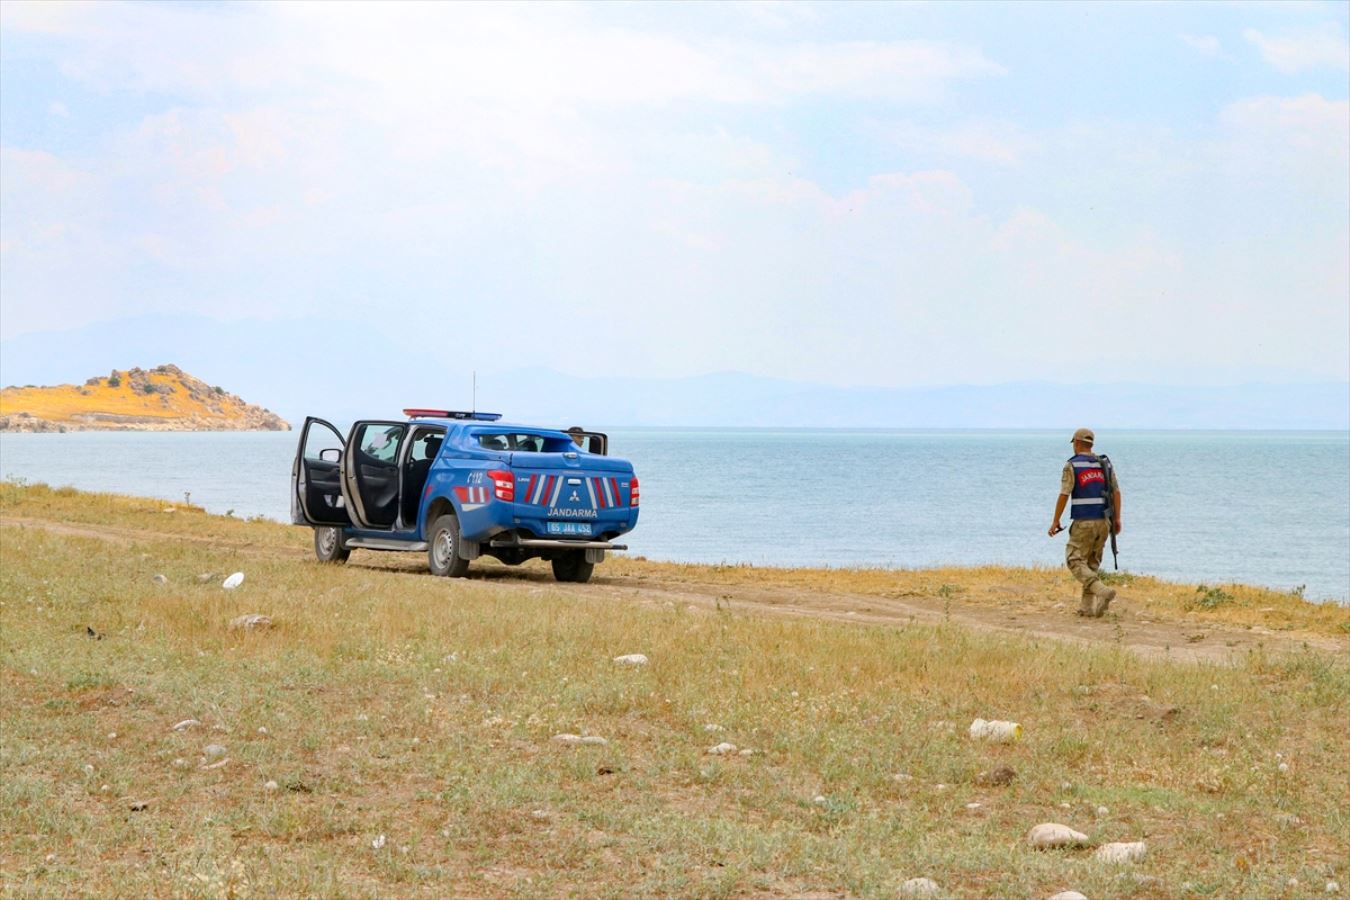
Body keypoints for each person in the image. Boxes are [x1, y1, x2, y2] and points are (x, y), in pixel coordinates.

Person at [1048, 428, 1122, 617]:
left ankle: (1102, 591)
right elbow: (1116, 492)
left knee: (1074, 560)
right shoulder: (1104, 464)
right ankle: (1087, 608)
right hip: (1104, 521)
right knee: (1091, 563)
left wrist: (1055, 520)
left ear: (1077, 443)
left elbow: (1064, 493)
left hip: (1084, 521)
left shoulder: (1072, 465)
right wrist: (1118, 519)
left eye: (1073, 443)